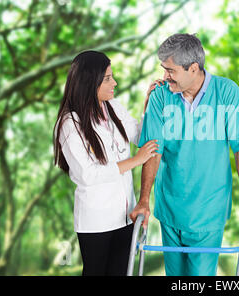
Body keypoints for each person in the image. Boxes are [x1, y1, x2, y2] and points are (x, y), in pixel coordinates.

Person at [130, 34, 239, 276]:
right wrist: (143, 201)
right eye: (164, 69)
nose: (165, 76)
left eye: (171, 70)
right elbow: (152, 150)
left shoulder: (227, 91)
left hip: (208, 211)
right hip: (169, 208)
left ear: (193, 68)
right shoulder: (161, 95)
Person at [53, 50, 162, 276]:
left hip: (125, 217)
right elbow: (88, 175)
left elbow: (139, 136)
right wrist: (135, 160)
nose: (115, 82)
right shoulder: (70, 123)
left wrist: (149, 106)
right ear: (89, 82)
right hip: (96, 222)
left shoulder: (113, 106)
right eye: (107, 79)